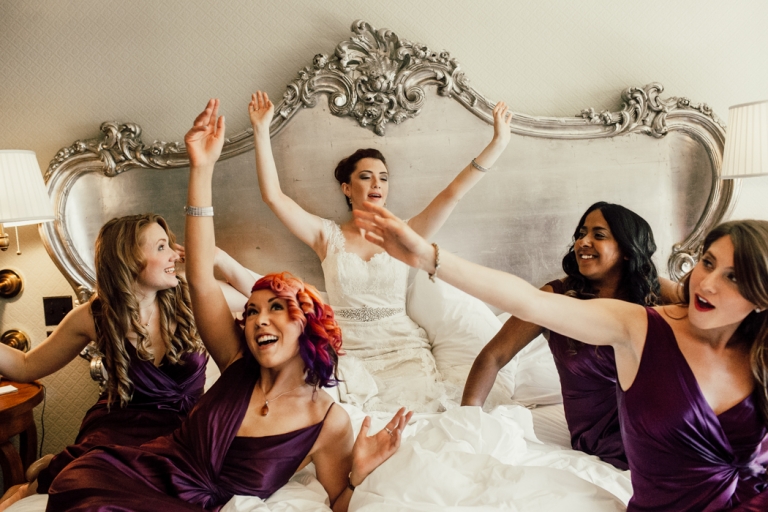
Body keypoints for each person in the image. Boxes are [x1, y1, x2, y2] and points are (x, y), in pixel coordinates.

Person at [45, 100, 412, 512]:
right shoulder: (236, 362)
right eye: (251, 311)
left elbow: (340, 501)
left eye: (276, 308)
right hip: (138, 474)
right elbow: (201, 276)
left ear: (305, 322)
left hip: (194, 504)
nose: (259, 320)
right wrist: (201, 168)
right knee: (79, 490)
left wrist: (357, 475)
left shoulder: (329, 421)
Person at [355, 202, 768, 511]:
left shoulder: (749, 346)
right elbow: (527, 303)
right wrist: (430, 258)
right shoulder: (637, 325)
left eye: (732, 276)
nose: (707, 284)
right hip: (613, 446)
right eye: (707, 263)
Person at [248, 90, 513, 412]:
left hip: (402, 350)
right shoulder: (326, 235)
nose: (377, 184)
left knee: (415, 416)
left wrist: (498, 143)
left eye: (383, 178)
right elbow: (273, 197)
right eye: (366, 177)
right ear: (347, 188)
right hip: (346, 352)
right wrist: (261, 130)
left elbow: (453, 194)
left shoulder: (405, 234)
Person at [0, 213, 208, 510]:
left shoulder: (195, 297)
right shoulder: (95, 316)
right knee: (88, 485)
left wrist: (219, 261)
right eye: (162, 247)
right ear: (129, 258)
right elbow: (25, 366)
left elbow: (264, 303)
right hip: (119, 428)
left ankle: (55, 465)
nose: (175, 255)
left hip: (185, 430)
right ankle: (32, 485)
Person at [462, 201, 680, 469]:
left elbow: (705, 311)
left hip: (661, 419)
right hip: (603, 436)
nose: (583, 242)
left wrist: (659, 283)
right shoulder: (555, 297)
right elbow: (494, 356)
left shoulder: (652, 295)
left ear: (627, 250)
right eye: (581, 234)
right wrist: (468, 418)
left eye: (598, 235)